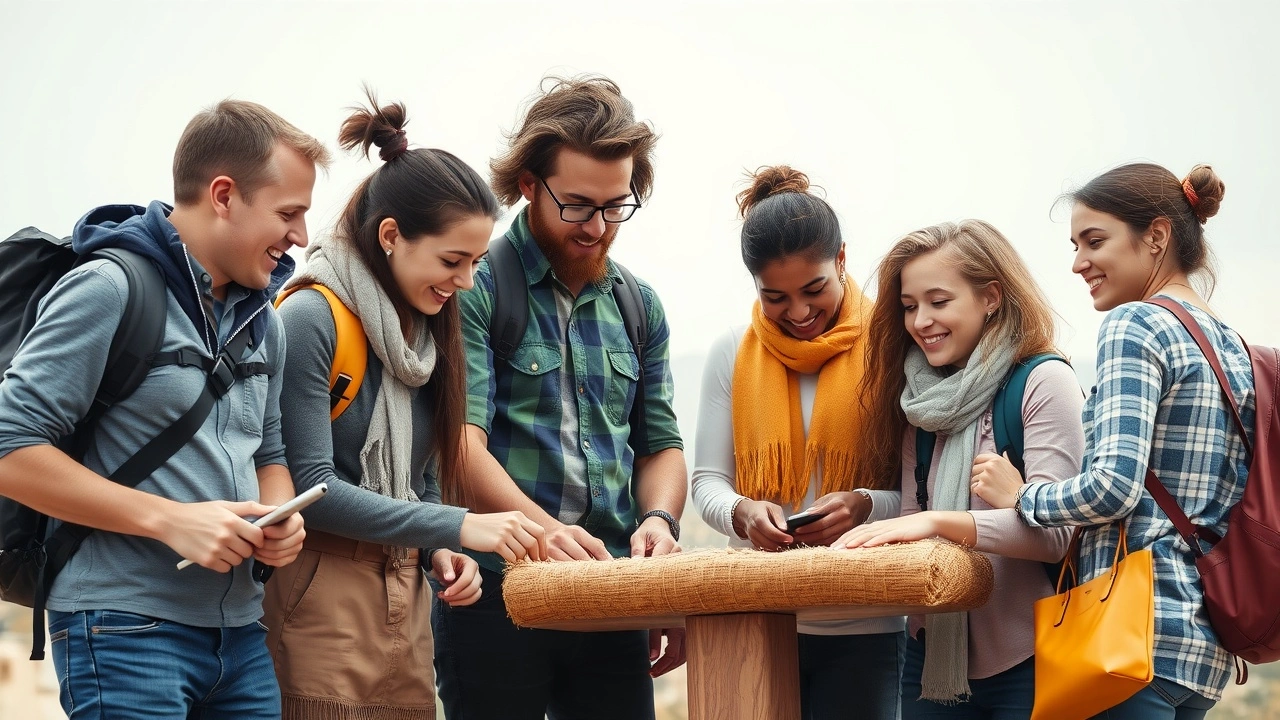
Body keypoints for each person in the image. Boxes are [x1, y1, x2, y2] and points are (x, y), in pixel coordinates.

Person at [0, 100, 330, 718]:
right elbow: (8, 448)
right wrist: (169, 520)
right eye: (288, 213)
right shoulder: (109, 287)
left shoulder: (266, 320)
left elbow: (271, 452)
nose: (301, 237)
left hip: (240, 636)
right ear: (224, 195)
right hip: (123, 632)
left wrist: (278, 517)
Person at [262, 93, 546, 720]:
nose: (466, 281)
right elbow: (312, 488)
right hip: (319, 609)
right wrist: (457, 526)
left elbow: (412, 484)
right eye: (452, 260)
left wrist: (439, 551)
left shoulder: (423, 332)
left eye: (474, 262)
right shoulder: (311, 316)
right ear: (390, 235)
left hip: (407, 608)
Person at [432, 74, 687, 720]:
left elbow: (660, 448)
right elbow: (459, 450)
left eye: (615, 206)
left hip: (608, 603)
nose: (598, 227)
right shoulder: (475, 287)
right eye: (577, 205)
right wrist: (544, 537)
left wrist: (658, 522)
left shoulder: (639, 304)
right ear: (527, 185)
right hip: (496, 598)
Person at [972, 164, 1249, 719]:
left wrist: (1021, 496)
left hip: (1129, 638)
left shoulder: (1136, 326)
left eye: (1094, 241)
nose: (1078, 263)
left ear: (1157, 236)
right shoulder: (1231, 344)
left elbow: (1112, 490)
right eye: (1075, 245)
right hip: (1203, 646)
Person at [834, 219, 1084, 717]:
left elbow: (1058, 536)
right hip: (932, 661)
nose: (921, 320)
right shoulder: (922, 408)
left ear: (990, 297)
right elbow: (910, 520)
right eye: (909, 306)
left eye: (938, 301)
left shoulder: (1043, 383)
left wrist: (936, 523)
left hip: (1035, 656)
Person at [691, 165, 906, 719]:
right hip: (756, 616)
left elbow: (920, 490)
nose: (800, 313)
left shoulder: (891, 347)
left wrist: (865, 505)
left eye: (814, 290)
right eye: (775, 298)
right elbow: (707, 482)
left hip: (868, 620)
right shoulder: (731, 353)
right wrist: (741, 513)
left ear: (842, 260)